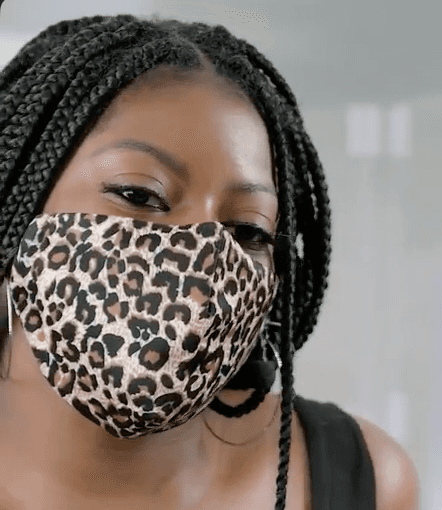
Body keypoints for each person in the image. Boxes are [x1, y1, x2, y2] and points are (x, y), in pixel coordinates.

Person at [0, 14, 419, 510]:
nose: (199, 266)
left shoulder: (362, 479)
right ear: (15, 200)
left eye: (248, 231)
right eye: (139, 194)